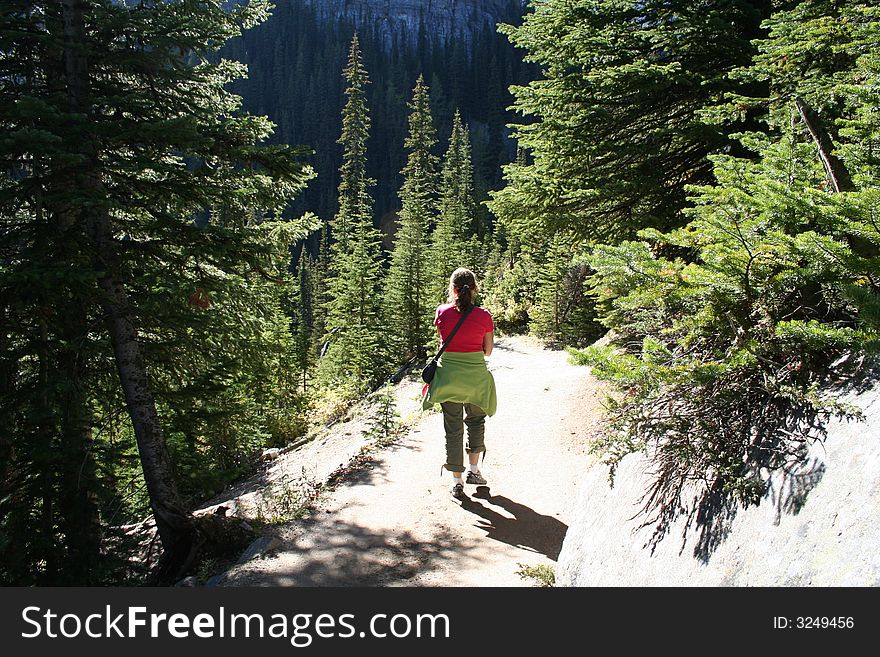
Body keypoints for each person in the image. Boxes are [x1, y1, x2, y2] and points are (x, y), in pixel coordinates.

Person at [422, 267, 497, 500]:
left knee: (453, 429)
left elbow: (443, 342)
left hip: (449, 379)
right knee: (476, 421)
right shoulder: (484, 316)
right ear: (474, 289)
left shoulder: (442, 312)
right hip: (475, 378)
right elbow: (488, 352)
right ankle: (475, 471)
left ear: (452, 289)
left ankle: (457, 482)